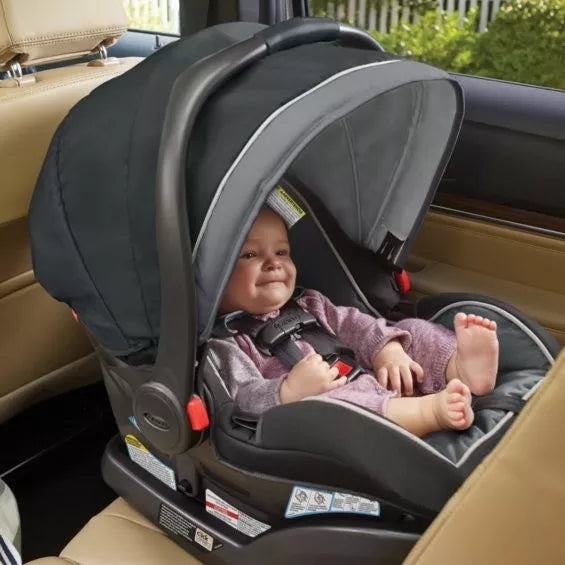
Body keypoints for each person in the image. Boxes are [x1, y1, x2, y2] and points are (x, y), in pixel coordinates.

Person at [212, 207, 499, 437]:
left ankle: (459, 367)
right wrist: (288, 391)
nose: (273, 263)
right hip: (329, 407)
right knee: (331, 410)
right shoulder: (228, 343)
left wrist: (388, 351)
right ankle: (430, 413)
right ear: (215, 276)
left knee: (410, 330)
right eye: (250, 254)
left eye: (281, 252)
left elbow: (358, 326)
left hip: (372, 373)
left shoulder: (311, 303)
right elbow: (243, 397)